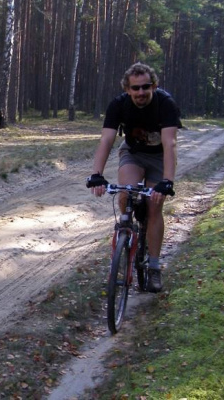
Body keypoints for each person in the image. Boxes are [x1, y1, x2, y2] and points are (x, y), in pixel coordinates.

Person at [86, 62, 181, 293]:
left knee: (154, 205)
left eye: (145, 87)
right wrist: (96, 174)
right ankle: (128, 229)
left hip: (159, 157)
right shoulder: (118, 105)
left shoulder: (165, 104)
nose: (140, 92)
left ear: (154, 86)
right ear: (127, 89)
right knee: (125, 193)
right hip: (133, 153)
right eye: (135, 88)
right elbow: (106, 140)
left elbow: (170, 143)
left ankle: (154, 267)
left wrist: (167, 181)